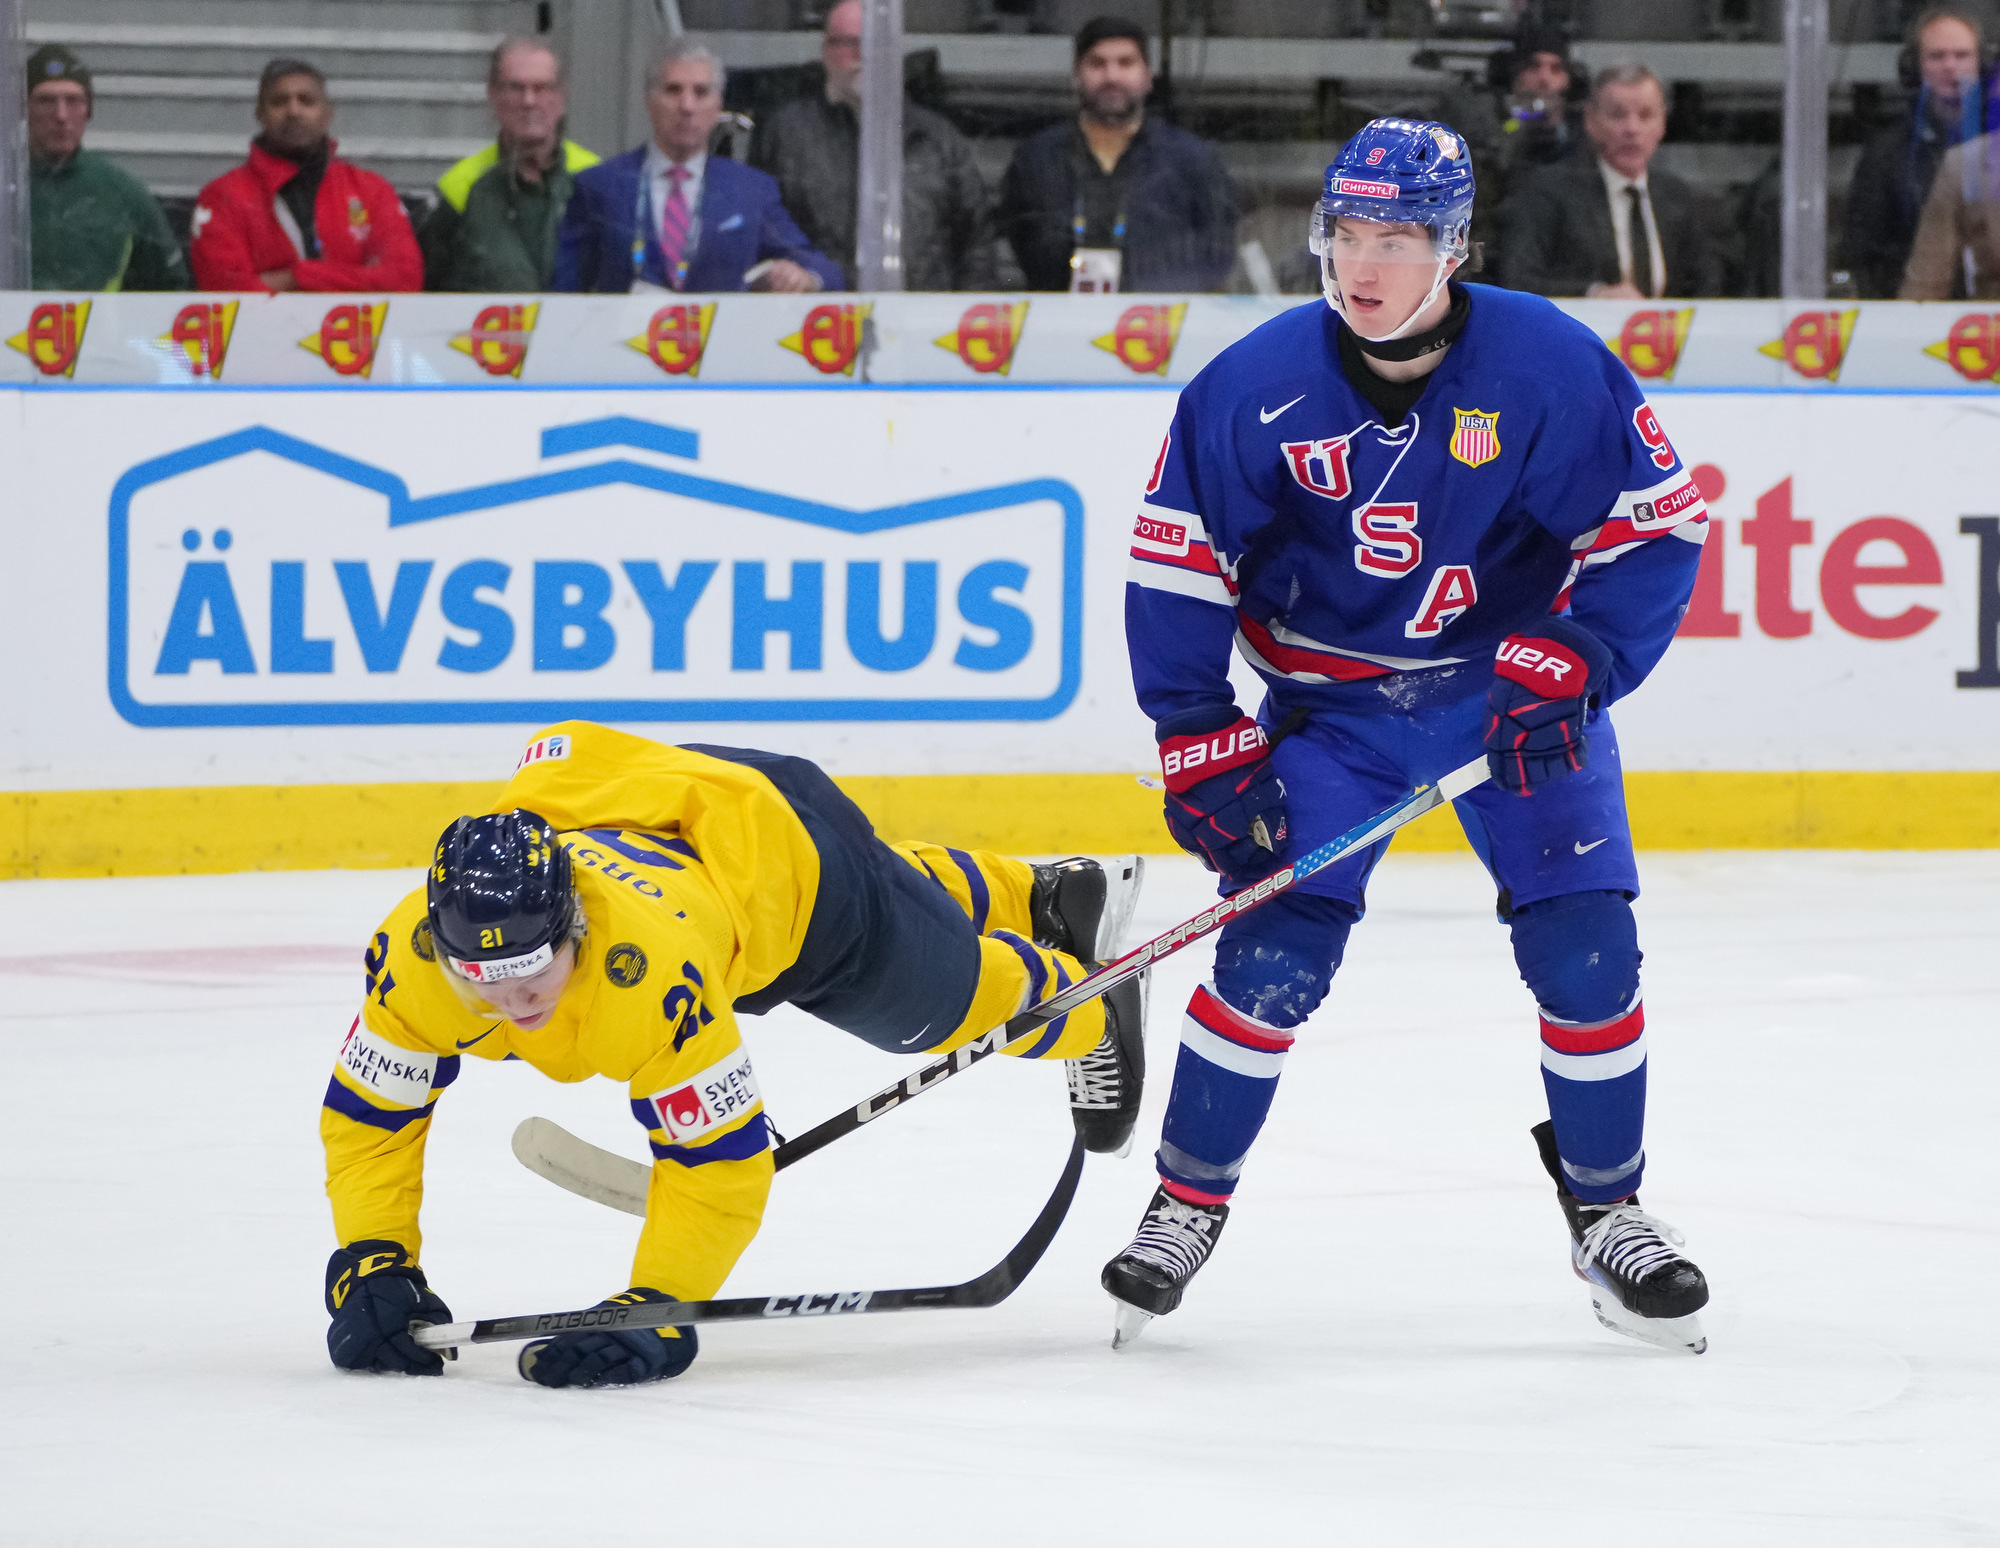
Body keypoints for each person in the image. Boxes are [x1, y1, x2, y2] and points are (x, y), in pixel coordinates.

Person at [1109, 119, 1713, 1357]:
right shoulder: (1250, 384)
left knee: (1589, 952)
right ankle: (1183, 1201)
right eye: (1344, 234)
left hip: (1509, 706)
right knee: (1272, 957)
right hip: (1334, 716)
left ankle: (1607, 1211)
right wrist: (1196, 733)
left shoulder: (1545, 364)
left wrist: (1581, 654)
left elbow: (1656, 527)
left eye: (1398, 238)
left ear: (1455, 245)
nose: (1363, 267)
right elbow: (1174, 568)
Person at [319, 722, 1145, 1387]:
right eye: (481, 983)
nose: (515, 1002)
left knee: (938, 1010)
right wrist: (371, 1257)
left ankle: (1094, 1002)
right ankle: (1040, 894)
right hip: (681, 808)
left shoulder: (646, 982)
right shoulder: (409, 964)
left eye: (533, 970)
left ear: (575, 925)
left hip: (791, 877)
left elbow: (720, 1166)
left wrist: (662, 1303)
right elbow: (369, 1123)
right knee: (895, 893)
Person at [554, 39, 839, 294]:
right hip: (624, 348)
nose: (687, 106)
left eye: (701, 92)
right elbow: (562, 287)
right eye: (673, 90)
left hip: (723, 347)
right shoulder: (601, 186)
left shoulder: (750, 191)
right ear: (649, 102)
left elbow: (820, 268)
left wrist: (804, 276)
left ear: (718, 105)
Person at [748, 0, 995, 291]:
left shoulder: (939, 138)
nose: (862, 54)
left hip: (920, 324)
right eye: (848, 43)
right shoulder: (784, 134)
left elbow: (977, 244)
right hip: (812, 322)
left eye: (875, 43)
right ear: (825, 52)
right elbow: (757, 231)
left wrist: (959, 320)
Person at [997, 16, 1237, 294]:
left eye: (1125, 63)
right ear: (1076, 75)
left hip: (1163, 326)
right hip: (1059, 325)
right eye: (1097, 64)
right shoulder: (1036, 160)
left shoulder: (1192, 161)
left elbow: (1218, 255)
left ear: (1148, 76)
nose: (1112, 77)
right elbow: (1015, 246)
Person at [189, 59, 423, 293]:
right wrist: (353, 279)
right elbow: (223, 291)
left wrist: (297, 277)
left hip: (357, 330)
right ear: (260, 114)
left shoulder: (370, 190)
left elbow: (405, 278)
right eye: (279, 102)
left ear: (327, 114)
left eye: (306, 101)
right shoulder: (222, 197)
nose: (293, 111)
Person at [1496, 63, 1719, 299]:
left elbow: (1709, 281)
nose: (1632, 129)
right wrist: (1593, 295)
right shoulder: (1549, 191)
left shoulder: (1676, 196)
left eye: (1645, 116)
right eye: (1618, 115)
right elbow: (1518, 279)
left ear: (1662, 123)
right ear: (1591, 121)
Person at [420, 36, 600, 292]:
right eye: (515, 88)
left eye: (542, 88)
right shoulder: (459, 185)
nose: (528, 101)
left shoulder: (595, 179)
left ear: (561, 98)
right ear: (492, 96)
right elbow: (426, 295)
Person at [1847, 9, 1991, 299]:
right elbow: (1862, 255)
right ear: (1914, 67)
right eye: (1937, 56)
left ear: (1982, 66)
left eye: (1962, 55)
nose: (1950, 66)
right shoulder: (1886, 152)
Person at [25, 43, 187, 291]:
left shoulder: (122, 193)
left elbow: (171, 286)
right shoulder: (9, 185)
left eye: (73, 101)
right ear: (22, 108)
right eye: (46, 101)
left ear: (88, 111)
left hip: (99, 329)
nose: (60, 115)